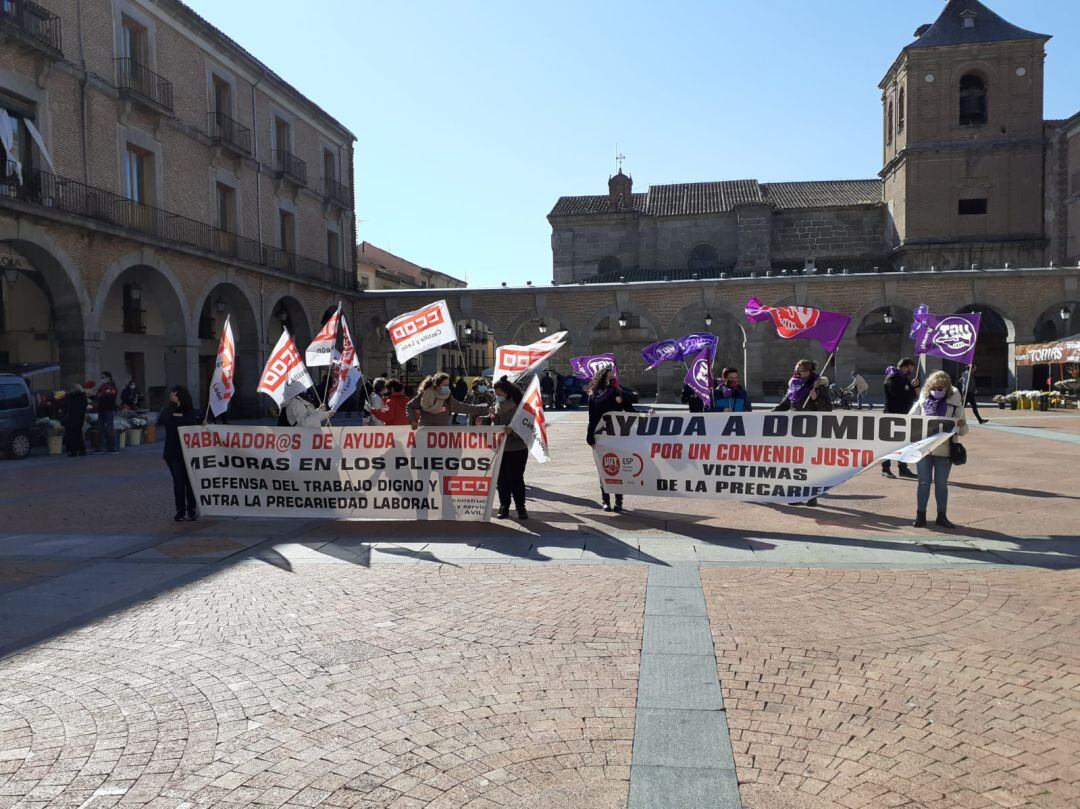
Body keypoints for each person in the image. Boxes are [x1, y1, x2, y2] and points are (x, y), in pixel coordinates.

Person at [908, 370, 968, 529]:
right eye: (936, 386)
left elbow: (963, 430)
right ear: (930, 386)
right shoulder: (922, 401)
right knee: (923, 482)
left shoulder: (956, 404)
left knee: (941, 484)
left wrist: (962, 425)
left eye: (942, 387)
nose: (938, 389)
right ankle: (920, 515)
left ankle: (942, 516)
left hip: (945, 449)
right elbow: (908, 421)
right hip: (923, 449)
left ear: (947, 387)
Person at [586, 367, 635, 512]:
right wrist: (590, 435)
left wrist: (647, 414)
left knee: (619, 467)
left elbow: (631, 411)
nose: (610, 379)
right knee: (604, 467)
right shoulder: (593, 395)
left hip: (618, 434)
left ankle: (618, 501)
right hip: (601, 435)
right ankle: (605, 500)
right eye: (607, 377)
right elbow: (592, 417)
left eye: (612, 377)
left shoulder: (618, 392)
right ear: (601, 378)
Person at [491, 378, 529, 519]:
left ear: (506, 393)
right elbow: (492, 424)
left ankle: (521, 507)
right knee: (502, 480)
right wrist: (486, 420)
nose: (496, 395)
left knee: (516, 479)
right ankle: (504, 506)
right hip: (500, 448)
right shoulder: (496, 406)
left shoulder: (521, 406)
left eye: (498, 393)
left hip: (517, 448)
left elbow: (528, 427)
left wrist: (512, 432)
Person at [159, 385, 198, 521]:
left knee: (190, 482)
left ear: (180, 396)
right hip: (173, 452)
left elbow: (191, 422)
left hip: (188, 453)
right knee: (178, 483)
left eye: (174, 394)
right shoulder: (168, 410)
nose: (171, 396)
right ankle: (180, 509)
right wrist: (176, 413)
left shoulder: (191, 411)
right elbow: (165, 421)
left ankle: (192, 509)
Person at [882, 358, 920, 479]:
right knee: (889, 444)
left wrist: (913, 387)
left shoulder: (904, 378)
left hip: (904, 415)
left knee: (903, 443)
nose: (911, 371)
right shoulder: (892, 378)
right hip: (892, 414)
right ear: (903, 366)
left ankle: (903, 468)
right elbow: (900, 395)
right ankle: (885, 468)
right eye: (910, 368)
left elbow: (911, 395)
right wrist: (912, 391)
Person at [407, 373, 491, 427]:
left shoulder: (447, 397)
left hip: (442, 436)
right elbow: (409, 406)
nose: (448, 387)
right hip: (425, 435)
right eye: (446, 384)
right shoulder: (424, 395)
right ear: (437, 385)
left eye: (448, 384)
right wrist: (413, 420)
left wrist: (485, 408)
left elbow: (464, 407)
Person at [96, 371, 119, 454]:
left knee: (109, 428)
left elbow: (111, 396)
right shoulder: (102, 386)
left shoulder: (111, 386)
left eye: (103, 377)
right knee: (100, 428)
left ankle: (112, 448)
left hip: (109, 409)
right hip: (101, 409)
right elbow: (97, 396)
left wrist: (101, 398)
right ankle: (100, 447)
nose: (102, 379)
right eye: (101, 377)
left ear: (108, 377)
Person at [63, 383, 88, 457]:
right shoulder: (82, 397)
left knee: (72, 435)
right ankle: (82, 450)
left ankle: (74, 451)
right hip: (79, 418)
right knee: (78, 434)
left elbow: (72, 406)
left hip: (73, 418)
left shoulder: (76, 397)